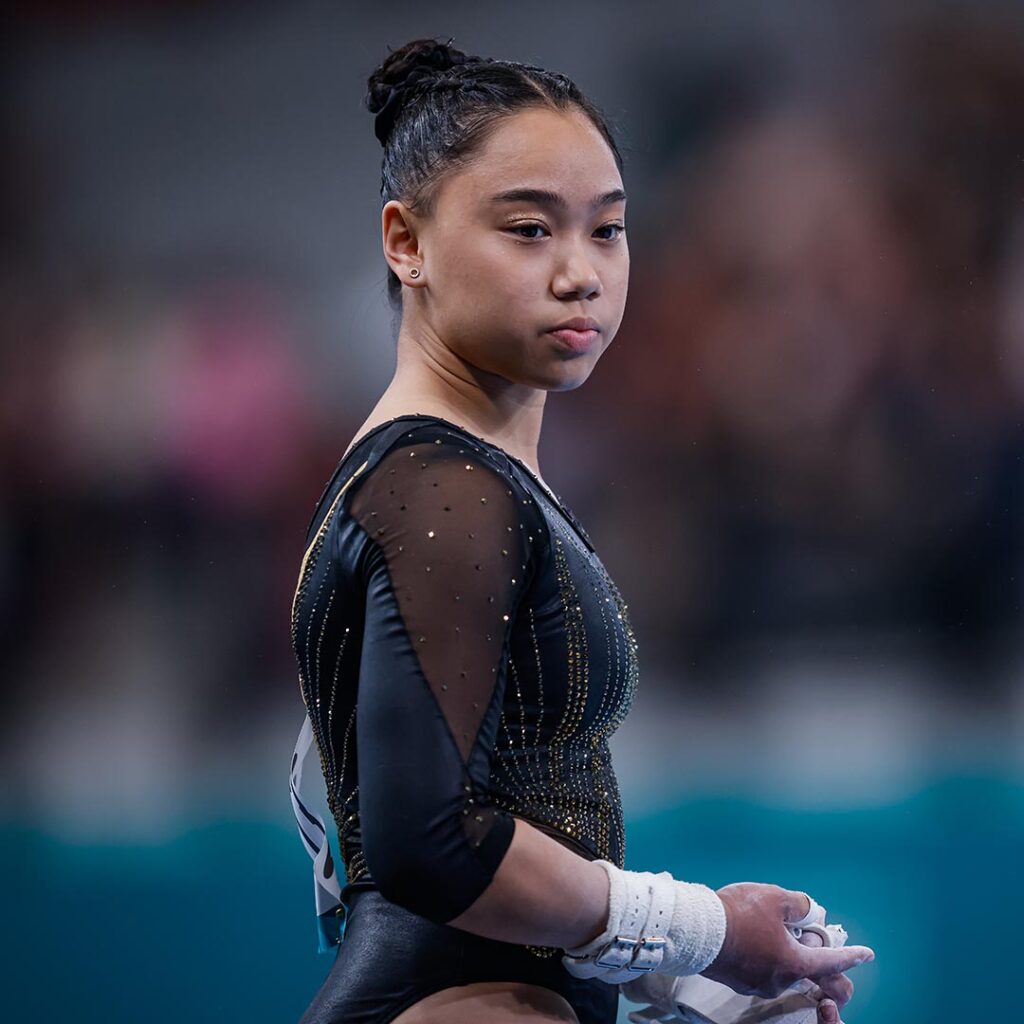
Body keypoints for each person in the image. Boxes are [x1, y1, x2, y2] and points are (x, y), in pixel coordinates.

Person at [289, 35, 875, 1024]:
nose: (579, 274)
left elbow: (457, 826)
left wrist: (662, 981)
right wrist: (702, 931)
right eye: (527, 230)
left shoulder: (452, 481)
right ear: (406, 242)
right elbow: (428, 844)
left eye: (606, 231)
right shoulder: (441, 488)